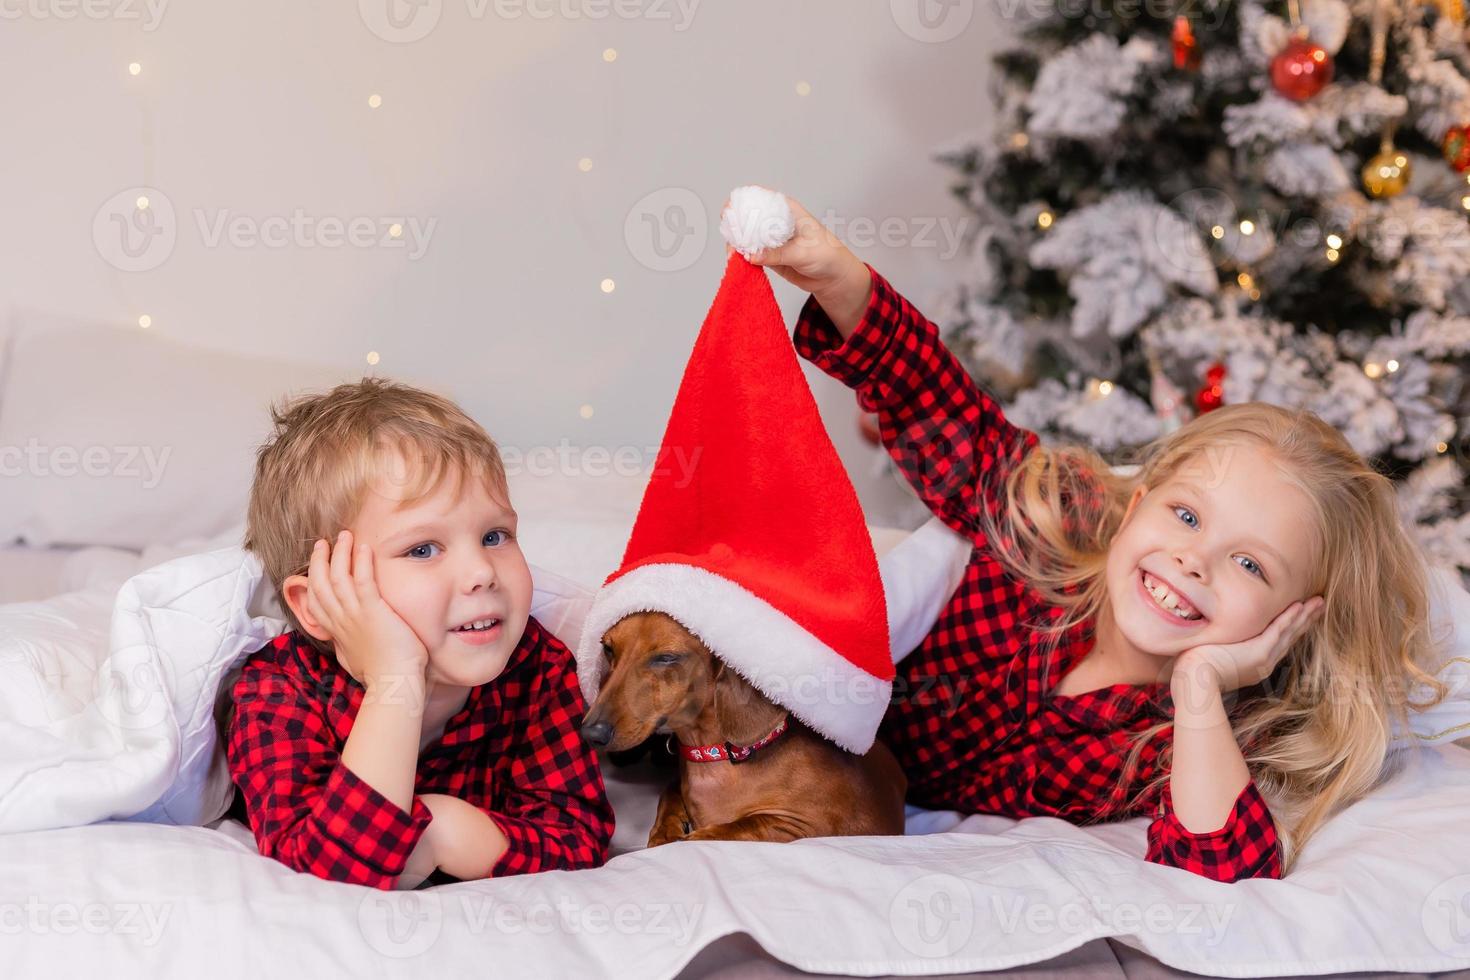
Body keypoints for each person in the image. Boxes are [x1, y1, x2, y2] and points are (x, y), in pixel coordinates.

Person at [750, 195, 1449, 882]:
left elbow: (1217, 867)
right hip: (799, 710)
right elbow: (943, 411)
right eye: (1184, 515)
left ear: (1294, 621)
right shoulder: (1053, 531)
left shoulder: (1208, 735)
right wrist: (845, 282)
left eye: (1249, 564)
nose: (1192, 560)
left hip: (851, 795)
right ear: (1137, 505)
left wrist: (1201, 687)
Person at [225, 378, 614, 889]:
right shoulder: (277, 691)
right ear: (318, 601)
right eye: (423, 549)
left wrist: (443, 828)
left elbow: (577, 837)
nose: (482, 571)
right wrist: (395, 678)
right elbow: (333, 872)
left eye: (494, 536)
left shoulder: (536, 667)